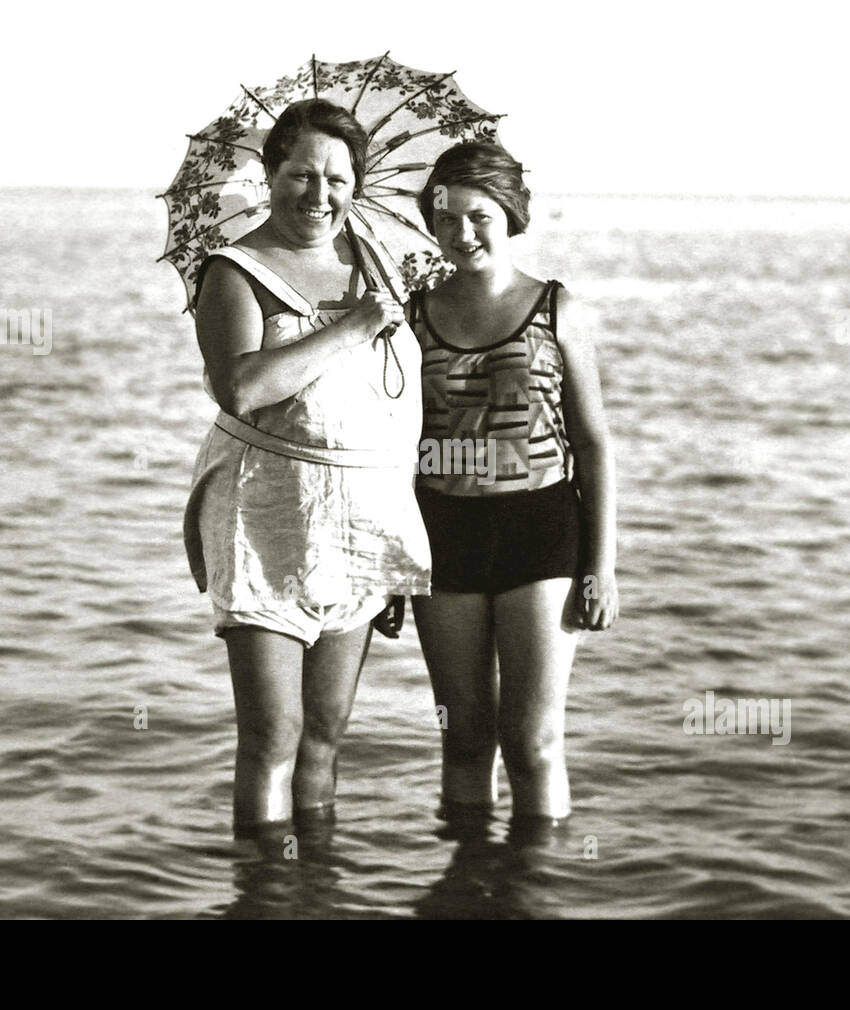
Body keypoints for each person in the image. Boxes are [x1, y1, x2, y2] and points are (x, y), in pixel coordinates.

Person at [183, 99, 430, 836]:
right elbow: (243, 387)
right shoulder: (233, 271)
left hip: (361, 522)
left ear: (357, 186)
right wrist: (355, 326)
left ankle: (316, 891)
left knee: (326, 735)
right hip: (266, 514)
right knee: (274, 737)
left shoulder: (375, 262)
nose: (319, 195)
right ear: (270, 174)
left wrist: (393, 529)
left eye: (338, 179)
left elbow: (399, 407)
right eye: (301, 174)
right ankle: (263, 894)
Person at [406, 141, 618, 828]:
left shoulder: (557, 308)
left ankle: (534, 891)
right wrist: (387, 564)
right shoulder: (411, 315)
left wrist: (602, 567)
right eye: (446, 219)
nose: (461, 234)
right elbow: (395, 449)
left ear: (510, 214)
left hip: (541, 529)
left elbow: (592, 443)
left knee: (532, 743)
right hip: (442, 535)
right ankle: (467, 889)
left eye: (479, 217)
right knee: (464, 739)